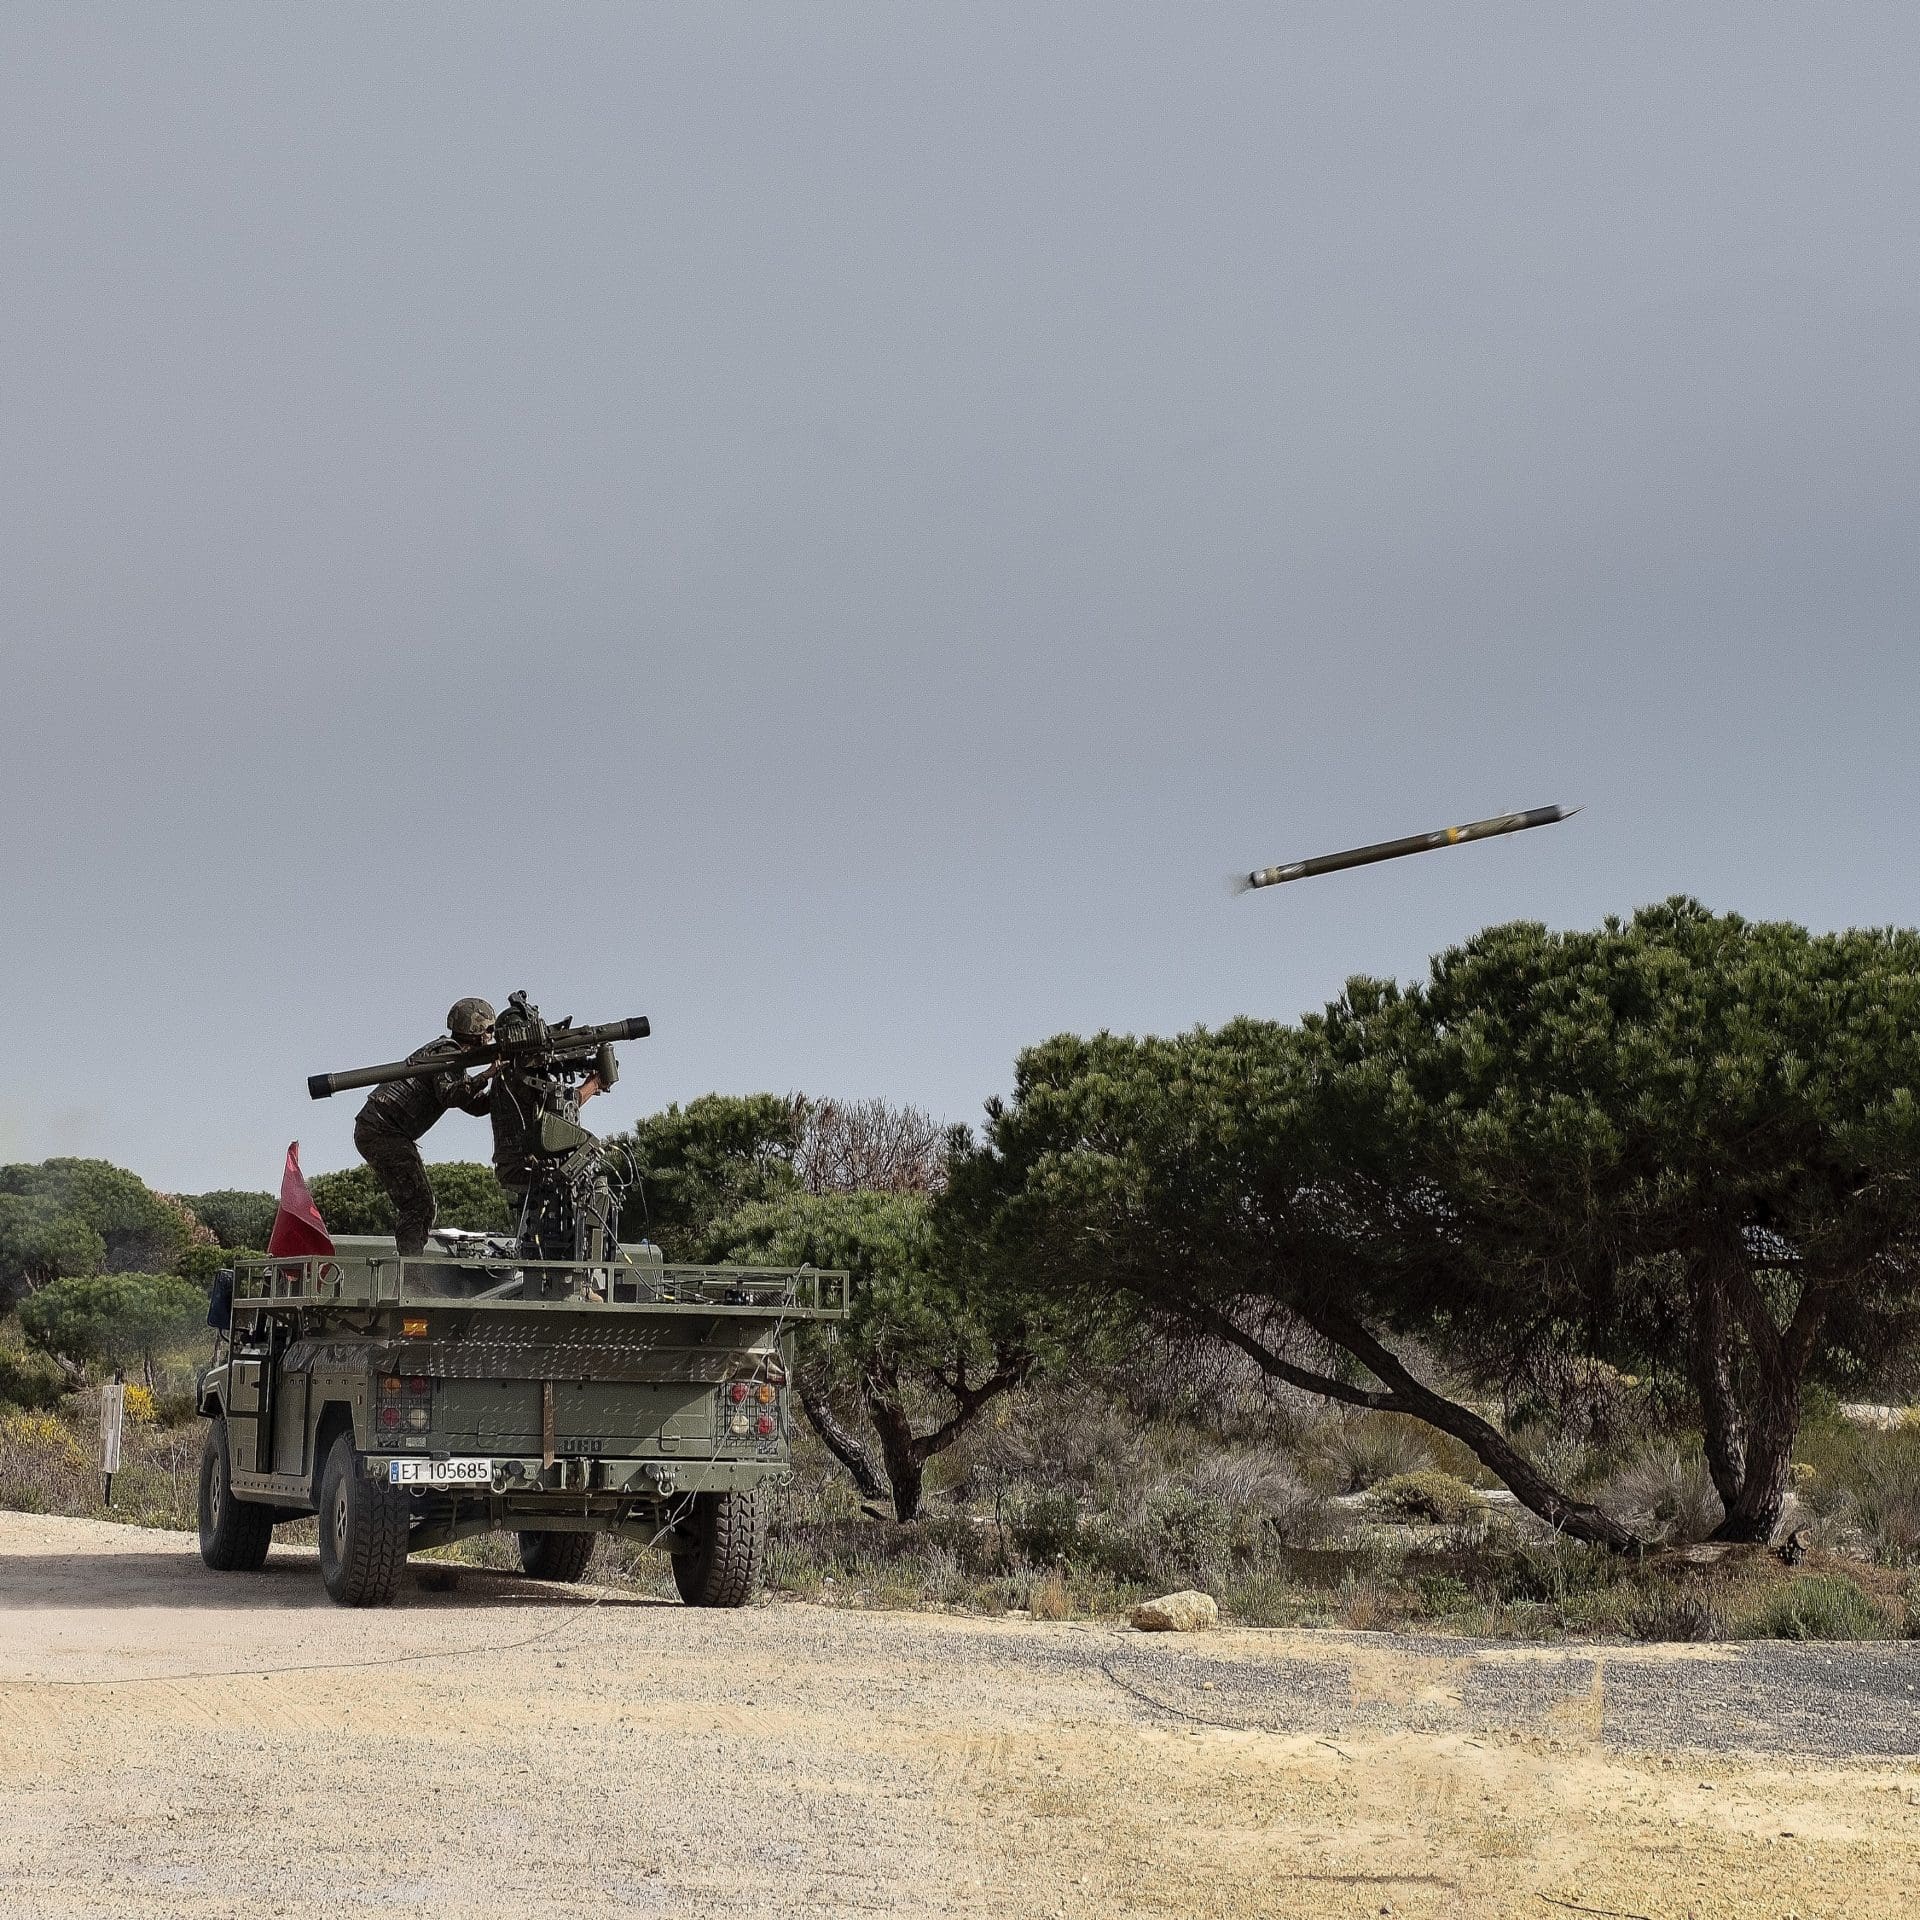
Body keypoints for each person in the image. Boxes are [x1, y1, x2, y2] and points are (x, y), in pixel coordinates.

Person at [353, 998, 499, 1256]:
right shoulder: (446, 1052)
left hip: (382, 1129)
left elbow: (475, 1105)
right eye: (489, 1029)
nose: (491, 1036)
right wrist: (487, 1075)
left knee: (421, 1204)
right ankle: (411, 1271)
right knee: (418, 1205)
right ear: (475, 1029)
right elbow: (451, 1095)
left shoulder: (452, 1059)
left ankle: (411, 1266)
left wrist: (502, 1083)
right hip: (383, 1129)